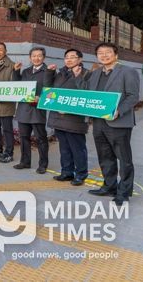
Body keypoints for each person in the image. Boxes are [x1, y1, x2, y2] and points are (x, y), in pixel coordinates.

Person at [79, 43, 140, 206]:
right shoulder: (95, 73)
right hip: (98, 121)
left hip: (118, 122)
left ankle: (124, 192)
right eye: (100, 53)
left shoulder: (128, 71)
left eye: (107, 52)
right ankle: (109, 186)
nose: (104, 55)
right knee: (105, 156)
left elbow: (133, 96)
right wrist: (82, 75)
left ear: (116, 55)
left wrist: (119, 111)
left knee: (124, 159)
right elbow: (86, 93)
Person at [48, 49, 90, 186]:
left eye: (73, 57)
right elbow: (49, 89)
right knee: (64, 148)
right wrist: (49, 73)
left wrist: (77, 76)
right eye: (66, 57)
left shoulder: (86, 74)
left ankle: (81, 174)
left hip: (74, 119)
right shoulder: (61, 73)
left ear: (80, 59)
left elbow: (87, 94)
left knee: (77, 148)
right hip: (58, 117)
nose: (69, 60)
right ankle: (66, 172)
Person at [12, 47, 54, 174]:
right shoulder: (26, 71)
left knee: (41, 138)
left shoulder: (49, 71)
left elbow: (50, 90)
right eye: (34, 56)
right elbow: (17, 87)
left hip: (37, 110)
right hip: (23, 109)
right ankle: (25, 161)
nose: (36, 58)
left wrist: (40, 98)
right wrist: (16, 71)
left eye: (39, 55)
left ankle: (43, 164)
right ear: (30, 58)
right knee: (24, 137)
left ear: (43, 57)